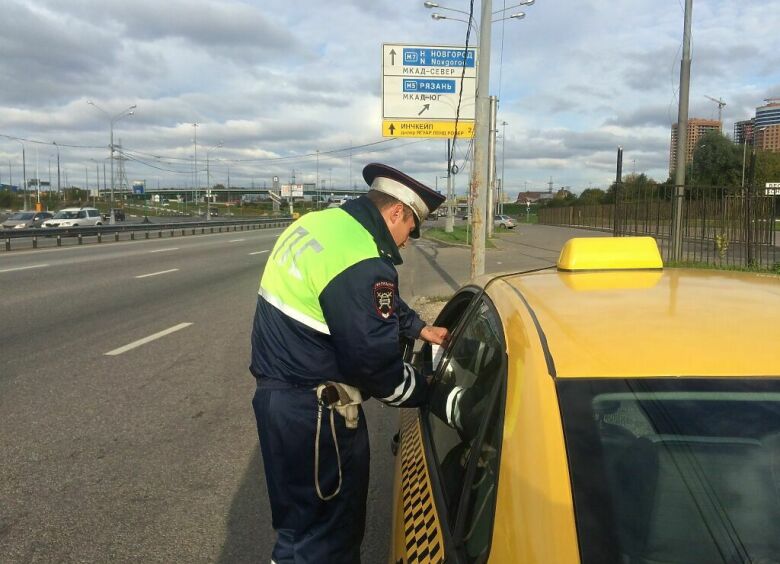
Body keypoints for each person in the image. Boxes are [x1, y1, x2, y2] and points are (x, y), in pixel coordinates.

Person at [250, 162, 450, 563]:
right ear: (397, 212)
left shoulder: (321, 225)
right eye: (412, 227)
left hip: (281, 402)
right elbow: (374, 366)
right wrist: (428, 390)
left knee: (299, 526)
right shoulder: (362, 259)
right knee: (328, 537)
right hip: (319, 416)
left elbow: (354, 299)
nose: (409, 240)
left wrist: (416, 328)